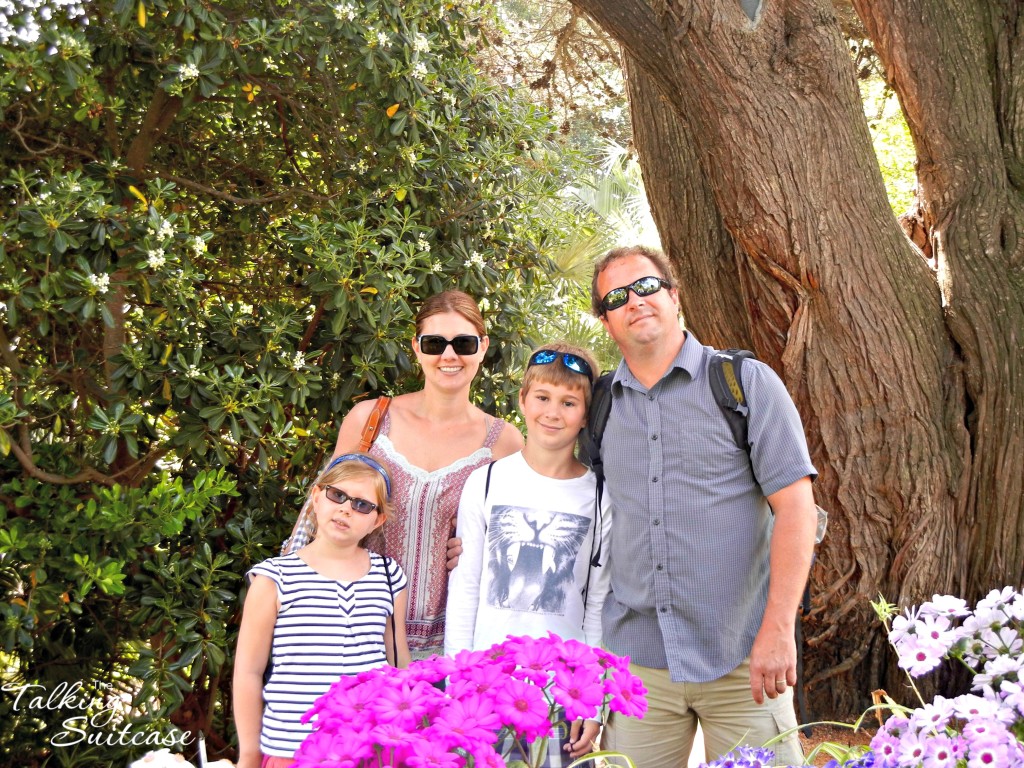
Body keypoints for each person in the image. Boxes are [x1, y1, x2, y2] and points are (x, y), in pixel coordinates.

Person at [590, 246, 818, 767]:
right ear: (607, 322)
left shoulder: (744, 384)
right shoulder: (599, 405)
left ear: (673, 296)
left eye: (647, 287)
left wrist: (779, 630)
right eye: (618, 297)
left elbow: (797, 510)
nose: (636, 302)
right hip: (639, 669)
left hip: (743, 658)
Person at [286, 290, 524, 657]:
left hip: (452, 649)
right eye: (434, 343)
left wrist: (482, 546)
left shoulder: (504, 442)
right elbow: (318, 520)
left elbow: (513, 546)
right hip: (353, 633)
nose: (449, 355)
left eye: (463, 342)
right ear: (416, 348)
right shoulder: (370, 420)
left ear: (482, 346)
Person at [445, 340, 612, 766]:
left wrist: (594, 703)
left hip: (560, 693)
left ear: (585, 415)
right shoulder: (485, 482)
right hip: (486, 685)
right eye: (542, 397)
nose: (552, 412)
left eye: (568, 402)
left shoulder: (599, 497)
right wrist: (456, 682)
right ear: (523, 400)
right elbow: (465, 590)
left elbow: (596, 606)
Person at [233, 453, 410, 768]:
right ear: (316, 497)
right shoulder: (274, 578)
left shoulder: (388, 574)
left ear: (378, 519)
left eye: (362, 505)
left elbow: (398, 660)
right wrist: (248, 753)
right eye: (337, 495)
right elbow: (248, 672)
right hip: (292, 749)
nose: (345, 508)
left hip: (367, 748)